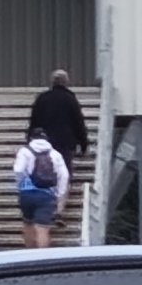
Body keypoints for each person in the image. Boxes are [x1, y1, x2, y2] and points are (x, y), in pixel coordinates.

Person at [28, 69, 89, 226]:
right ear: (66, 82)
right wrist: (83, 144)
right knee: (64, 175)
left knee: (41, 173)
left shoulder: (42, 98)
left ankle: (41, 207)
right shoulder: (70, 99)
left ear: (52, 82)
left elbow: (33, 122)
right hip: (65, 144)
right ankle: (59, 210)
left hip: (43, 144)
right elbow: (78, 123)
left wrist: (29, 141)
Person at [13, 128, 69, 248]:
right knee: (42, 228)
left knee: (28, 223)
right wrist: (59, 194)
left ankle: (28, 255)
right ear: (46, 139)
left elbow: (18, 170)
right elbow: (64, 175)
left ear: (31, 138)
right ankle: (41, 257)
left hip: (27, 193)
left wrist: (21, 185)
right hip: (46, 194)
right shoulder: (55, 154)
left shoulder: (24, 151)